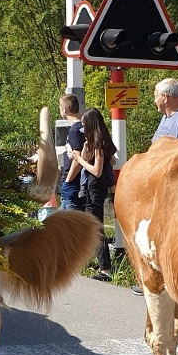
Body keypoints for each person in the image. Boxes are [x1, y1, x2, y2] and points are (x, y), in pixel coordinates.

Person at [70, 108, 117, 281]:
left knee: (95, 227)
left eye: (84, 125)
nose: (82, 129)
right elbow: (113, 161)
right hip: (94, 188)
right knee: (94, 226)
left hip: (94, 189)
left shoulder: (98, 145)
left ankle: (105, 269)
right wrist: (84, 150)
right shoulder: (96, 143)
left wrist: (80, 160)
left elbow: (97, 171)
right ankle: (102, 265)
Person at [57, 93, 85, 211]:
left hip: (72, 184)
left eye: (60, 107)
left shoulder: (74, 130)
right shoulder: (83, 127)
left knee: (70, 220)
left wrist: (68, 181)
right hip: (80, 183)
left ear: (65, 109)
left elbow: (77, 158)